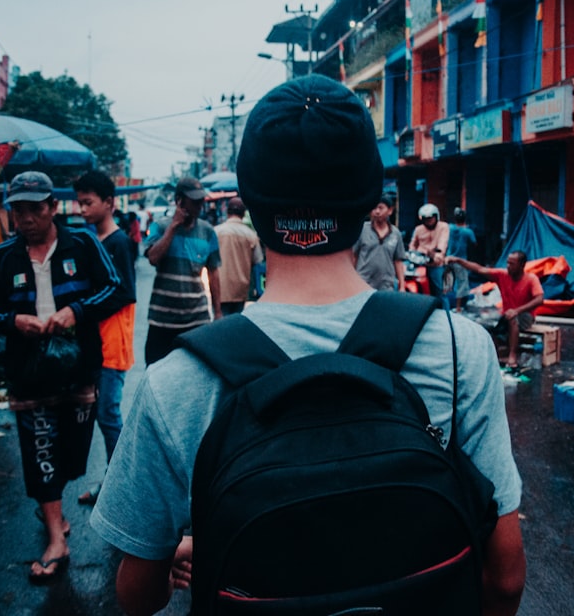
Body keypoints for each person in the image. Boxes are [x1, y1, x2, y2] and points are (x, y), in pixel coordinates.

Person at [91, 75, 525, 616]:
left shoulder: (178, 380)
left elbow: (137, 595)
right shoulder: (461, 350)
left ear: (247, 200)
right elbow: (505, 578)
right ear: (372, 201)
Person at [0, 171, 130, 582]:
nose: (25, 218)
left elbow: (116, 288)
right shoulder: (4, 258)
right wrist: (16, 320)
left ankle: (53, 506)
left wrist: (74, 312)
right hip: (29, 374)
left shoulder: (83, 245)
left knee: (71, 450)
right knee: (38, 447)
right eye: (18, 210)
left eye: (34, 209)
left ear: (52, 208)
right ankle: (55, 534)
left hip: (78, 368)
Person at [73, 171, 138, 506]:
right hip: (95, 343)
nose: (82, 209)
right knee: (102, 414)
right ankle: (117, 480)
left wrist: (81, 309)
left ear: (109, 203)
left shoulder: (119, 243)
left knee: (108, 415)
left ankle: (121, 484)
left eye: (88, 202)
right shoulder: (93, 241)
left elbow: (125, 292)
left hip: (114, 341)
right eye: (79, 202)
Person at [143, 176, 222, 364]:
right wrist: (173, 227)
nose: (199, 205)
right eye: (194, 201)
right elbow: (153, 258)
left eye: (201, 200)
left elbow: (214, 273)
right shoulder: (160, 226)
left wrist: (217, 311)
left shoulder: (208, 231)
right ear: (179, 201)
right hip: (162, 320)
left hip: (196, 319)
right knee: (156, 371)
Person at [447, 250, 544, 370]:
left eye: (512, 264)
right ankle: (493, 355)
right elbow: (479, 269)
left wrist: (517, 311)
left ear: (522, 265)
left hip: (525, 316)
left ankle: (512, 355)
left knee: (513, 318)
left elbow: (540, 299)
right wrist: (458, 260)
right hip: (506, 315)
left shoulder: (531, 279)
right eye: (507, 263)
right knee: (488, 324)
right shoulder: (502, 275)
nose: (508, 266)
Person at [214, 196, 264, 315]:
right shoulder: (251, 235)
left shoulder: (216, 232)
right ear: (243, 213)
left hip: (220, 288)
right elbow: (258, 260)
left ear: (227, 211)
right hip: (241, 290)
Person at [352, 193, 405, 291]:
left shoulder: (395, 233)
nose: (377, 211)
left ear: (390, 210)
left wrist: (402, 286)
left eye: (381, 208)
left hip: (386, 285)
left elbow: (398, 261)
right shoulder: (362, 229)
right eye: (374, 208)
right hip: (363, 283)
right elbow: (354, 256)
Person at [409, 202, 450, 296]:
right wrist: (412, 253)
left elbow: (442, 244)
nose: (429, 221)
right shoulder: (418, 229)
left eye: (431, 218)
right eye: (426, 219)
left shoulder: (443, 227)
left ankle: (444, 309)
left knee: (440, 291)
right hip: (420, 263)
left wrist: (436, 254)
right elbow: (413, 244)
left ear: (436, 217)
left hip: (436, 263)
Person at [447, 207, 478, 312]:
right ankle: (458, 307)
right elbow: (474, 244)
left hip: (448, 258)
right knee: (461, 283)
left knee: (448, 282)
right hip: (460, 261)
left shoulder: (449, 228)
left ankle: (445, 305)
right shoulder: (467, 231)